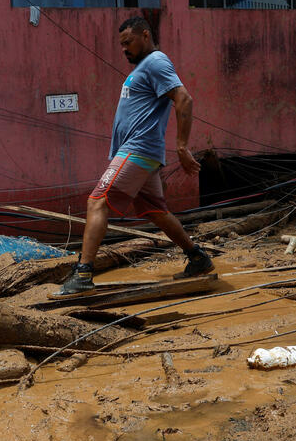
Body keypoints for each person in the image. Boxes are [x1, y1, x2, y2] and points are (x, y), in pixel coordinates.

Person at [57, 16, 214, 296]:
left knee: (97, 202)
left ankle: (83, 274)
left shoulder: (156, 61)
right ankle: (198, 258)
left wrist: (181, 146)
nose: (124, 49)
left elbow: (184, 99)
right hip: (139, 151)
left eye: (128, 42)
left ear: (145, 35)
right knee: (156, 212)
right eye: (121, 45)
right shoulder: (144, 67)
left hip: (138, 149)